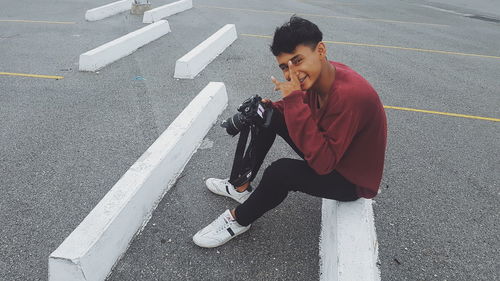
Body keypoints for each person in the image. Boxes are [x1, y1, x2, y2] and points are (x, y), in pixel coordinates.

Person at [193, 16, 387, 248]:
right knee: (267, 116)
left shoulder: (352, 96)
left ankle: (238, 220)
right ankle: (240, 185)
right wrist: (269, 110)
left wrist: (293, 99)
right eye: (285, 66)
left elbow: (323, 164)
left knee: (280, 172)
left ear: (321, 50)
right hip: (330, 151)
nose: (291, 73)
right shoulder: (322, 76)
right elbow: (304, 109)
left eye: (298, 60)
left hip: (349, 178)